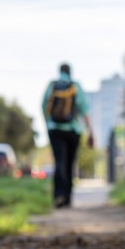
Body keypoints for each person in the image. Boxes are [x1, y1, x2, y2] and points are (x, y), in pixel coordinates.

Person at [42, 62, 93, 208]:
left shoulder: (52, 85)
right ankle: (68, 198)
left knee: (59, 162)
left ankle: (58, 195)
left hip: (55, 129)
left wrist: (48, 125)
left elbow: (43, 106)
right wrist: (90, 132)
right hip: (73, 130)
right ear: (71, 72)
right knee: (70, 163)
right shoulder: (75, 86)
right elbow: (84, 111)